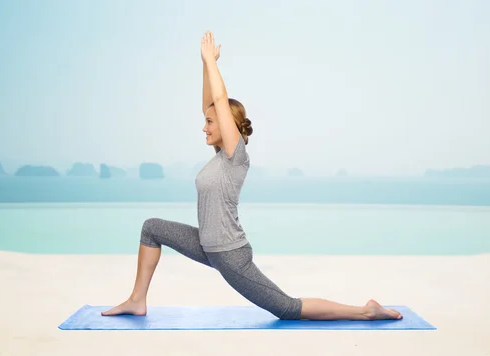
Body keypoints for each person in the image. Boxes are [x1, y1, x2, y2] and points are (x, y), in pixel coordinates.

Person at [101, 30, 402, 321]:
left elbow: (220, 101)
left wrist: (211, 63)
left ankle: (366, 311)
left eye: (210, 122)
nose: (204, 126)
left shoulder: (236, 157)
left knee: (287, 308)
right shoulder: (220, 156)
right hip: (207, 247)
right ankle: (137, 300)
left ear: (225, 125)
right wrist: (206, 65)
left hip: (231, 256)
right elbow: (211, 102)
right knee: (151, 228)